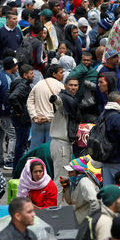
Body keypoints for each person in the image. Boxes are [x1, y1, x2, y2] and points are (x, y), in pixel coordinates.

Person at [49, 76, 80, 204]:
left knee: (64, 178)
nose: (73, 87)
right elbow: (59, 102)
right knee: (61, 179)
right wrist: (55, 99)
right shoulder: (65, 100)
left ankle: (62, 208)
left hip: (64, 144)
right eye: (70, 85)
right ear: (65, 86)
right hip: (60, 145)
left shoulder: (73, 101)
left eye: (75, 85)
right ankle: (56, 211)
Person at [27, 64, 64, 150]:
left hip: (37, 121)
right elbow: (62, 106)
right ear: (54, 74)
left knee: (34, 149)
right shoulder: (61, 86)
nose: (63, 74)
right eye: (61, 72)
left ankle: (32, 163)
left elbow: (30, 101)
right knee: (49, 150)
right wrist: (48, 117)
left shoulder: (38, 84)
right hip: (52, 122)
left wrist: (34, 116)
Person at [8, 64, 34, 169]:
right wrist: (20, 110)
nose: (33, 76)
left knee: (21, 144)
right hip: (22, 119)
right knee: (21, 145)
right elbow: (12, 97)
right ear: (25, 75)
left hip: (19, 117)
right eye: (31, 74)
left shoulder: (18, 82)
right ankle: (18, 169)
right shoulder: (23, 86)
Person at [62, 157, 100, 224]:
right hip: (79, 219)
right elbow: (70, 202)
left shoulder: (84, 182)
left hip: (87, 221)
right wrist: (66, 188)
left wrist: (91, 221)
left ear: (79, 172)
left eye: (71, 172)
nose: (68, 174)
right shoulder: (75, 183)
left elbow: (95, 201)